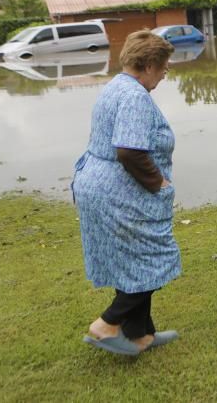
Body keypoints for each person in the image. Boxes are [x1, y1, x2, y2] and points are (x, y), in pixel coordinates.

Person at [72, 30, 182, 357]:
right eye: (162, 66)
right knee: (154, 256)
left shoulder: (116, 85)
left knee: (133, 260)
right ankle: (106, 325)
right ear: (147, 65)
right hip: (119, 190)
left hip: (99, 184)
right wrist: (158, 183)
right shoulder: (134, 96)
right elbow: (129, 150)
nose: (165, 72)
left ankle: (140, 334)